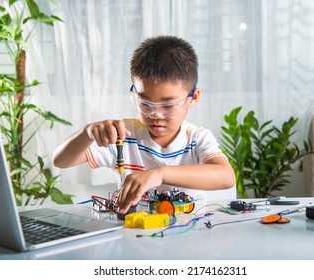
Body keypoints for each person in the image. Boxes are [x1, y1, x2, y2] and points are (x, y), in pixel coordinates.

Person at [53, 35, 235, 214]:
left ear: (193, 98)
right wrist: (88, 132)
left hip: (189, 236)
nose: (155, 115)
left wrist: (159, 174)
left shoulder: (196, 138)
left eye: (168, 105)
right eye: (145, 104)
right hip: (135, 233)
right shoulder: (123, 135)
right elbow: (61, 161)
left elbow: (226, 177)